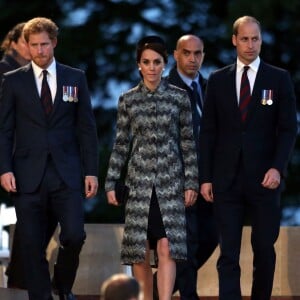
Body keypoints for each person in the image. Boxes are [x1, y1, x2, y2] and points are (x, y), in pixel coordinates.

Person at [0, 17, 99, 300]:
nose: (40, 51)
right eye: (34, 45)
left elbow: (87, 128)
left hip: (66, 174)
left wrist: (90, 171)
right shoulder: (13, 81)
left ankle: (62, 284)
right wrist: (4, 168)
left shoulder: (75, 77)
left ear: (54, 42)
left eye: (44, 44)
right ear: (27, 46)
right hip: (27, 174)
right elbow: (5, 130)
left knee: (74, 235)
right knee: (31, 245)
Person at [199, 16, 297, 300]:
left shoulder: (278, 78)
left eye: (255, 38)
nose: (251, 44)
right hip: (226, 179)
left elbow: (289, 129)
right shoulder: (217, 80)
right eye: (245, 38)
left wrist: (278, 168)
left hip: (266, 179)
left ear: (261, 40)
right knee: (227, 252)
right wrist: (205, 178)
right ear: (234, 40)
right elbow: (208, 133)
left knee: (264, 249)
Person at [105, 35, 199, 300]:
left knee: (168, 246)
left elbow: (188, 143)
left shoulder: (179, 98)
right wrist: (111, 182)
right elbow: (121, 144)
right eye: (146, 62)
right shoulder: (128, 100)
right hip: (138, 184)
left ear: (165, 63)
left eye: (157, 62)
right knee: (139, 249)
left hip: (171, 182)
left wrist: (191, 181)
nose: (152, 67)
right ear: (139, 65)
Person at [152, 34, 218, 300]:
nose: (193, 59)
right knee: (185, 244)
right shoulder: (165, 89)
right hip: (177, 181)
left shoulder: (210, 87)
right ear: (176, 55)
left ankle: (157, 290)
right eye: (187, 53)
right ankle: (188, 295)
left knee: (210, 237)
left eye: (198, 53)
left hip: (209, 180)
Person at [0, 21, 58, 290]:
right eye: (28, 42)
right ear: (14, 43)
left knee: (37, 221)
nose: (35, 47)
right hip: (18, 160)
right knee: (28, 222)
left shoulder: (39, 72)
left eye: (39, 42)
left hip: (39, 160)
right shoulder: (6, 73)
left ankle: (22, 276)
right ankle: (21, 278)